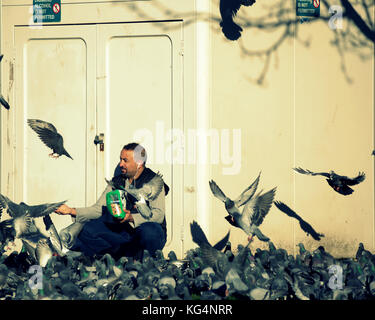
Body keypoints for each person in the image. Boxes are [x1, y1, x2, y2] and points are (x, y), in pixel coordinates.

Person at [55, 142, 169, 260]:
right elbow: (98, 209)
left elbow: (158, 215)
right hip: (123, 233)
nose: (121, 164)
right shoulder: (116, 182)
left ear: (139, 163)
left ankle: (144, 260)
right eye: (120, 159)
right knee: (86, 229)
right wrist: (70, 211)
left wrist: (131, 218)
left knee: (150, 232)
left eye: (125, 160)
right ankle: (117, 257)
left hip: (144, 232)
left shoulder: (154, 181)